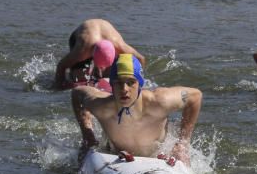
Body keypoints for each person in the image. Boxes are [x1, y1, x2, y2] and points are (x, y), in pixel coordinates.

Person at [71, 53, 202, 166]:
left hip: (158, 154)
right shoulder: (101, 106)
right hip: (116, 154)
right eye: (118, 82)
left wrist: (183, 144)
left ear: (140, 83)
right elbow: (76, 93)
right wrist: (88, 135)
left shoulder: (160, 102)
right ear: (111, 84)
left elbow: (195, 97)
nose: (124, 89)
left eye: (131, 82)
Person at [53, 19, 145, 90]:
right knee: (78, 77)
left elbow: (141, 59)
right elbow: (61, 65)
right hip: (82, 34)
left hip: (104, 32)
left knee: (111, 74)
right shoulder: (82, 51)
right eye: (100, 67)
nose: (101, 72)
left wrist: (138, 82)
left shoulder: (120, 47)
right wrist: (58, 86)